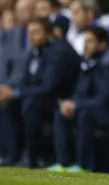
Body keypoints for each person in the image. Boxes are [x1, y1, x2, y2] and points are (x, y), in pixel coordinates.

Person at [48, 26, 109, 172]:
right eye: (85, 41)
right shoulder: (90, 61)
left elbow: (108, 98)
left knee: (85, 116)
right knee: (61, 114)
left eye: (91, 41)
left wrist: (78, 105)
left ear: (103, 43)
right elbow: (81, 90)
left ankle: (82, 166)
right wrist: (72, 103)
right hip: (99, 106)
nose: (86, 45)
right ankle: (64, 164)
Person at [0, 17, 81, 167]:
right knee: (8, 104)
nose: (31, 36)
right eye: (29, 33)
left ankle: (33, 158)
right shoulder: (34, 52)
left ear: (48, 34)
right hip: (39, 96)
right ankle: (12, 155)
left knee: (30, 106)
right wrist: (9, 90)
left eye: (36, 32)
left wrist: (18, 92)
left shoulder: (58, 52)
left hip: (61, 99)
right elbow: (24, 79)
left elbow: (48, 87)